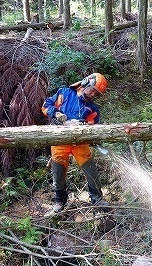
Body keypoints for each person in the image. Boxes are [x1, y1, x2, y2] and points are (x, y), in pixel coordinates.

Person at [41, 73, 110, 214]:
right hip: (60, 139)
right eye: (92, 90)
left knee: (90, 169)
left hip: (80, 142)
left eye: (96, 94)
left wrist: (86, 125)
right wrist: (56, 114)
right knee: (58, 170)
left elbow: (92, 125)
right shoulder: (64, 93)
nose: (93, 95)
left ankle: (97, 198)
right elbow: (45, 106)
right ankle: (60, 200)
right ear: (86, 83)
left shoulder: (93, 109)